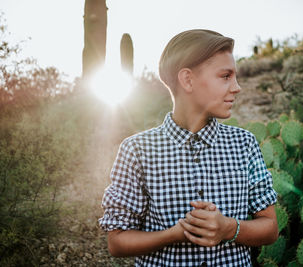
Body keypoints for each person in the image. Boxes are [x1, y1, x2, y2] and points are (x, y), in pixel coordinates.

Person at [98, 29, 278, 266]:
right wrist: (173, 234)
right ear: (187, 80)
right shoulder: (136, 150)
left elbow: (271, 228)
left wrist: (229, 228)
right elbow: (117, 242)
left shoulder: (245, 144)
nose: (237, 87)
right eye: (225, 76)